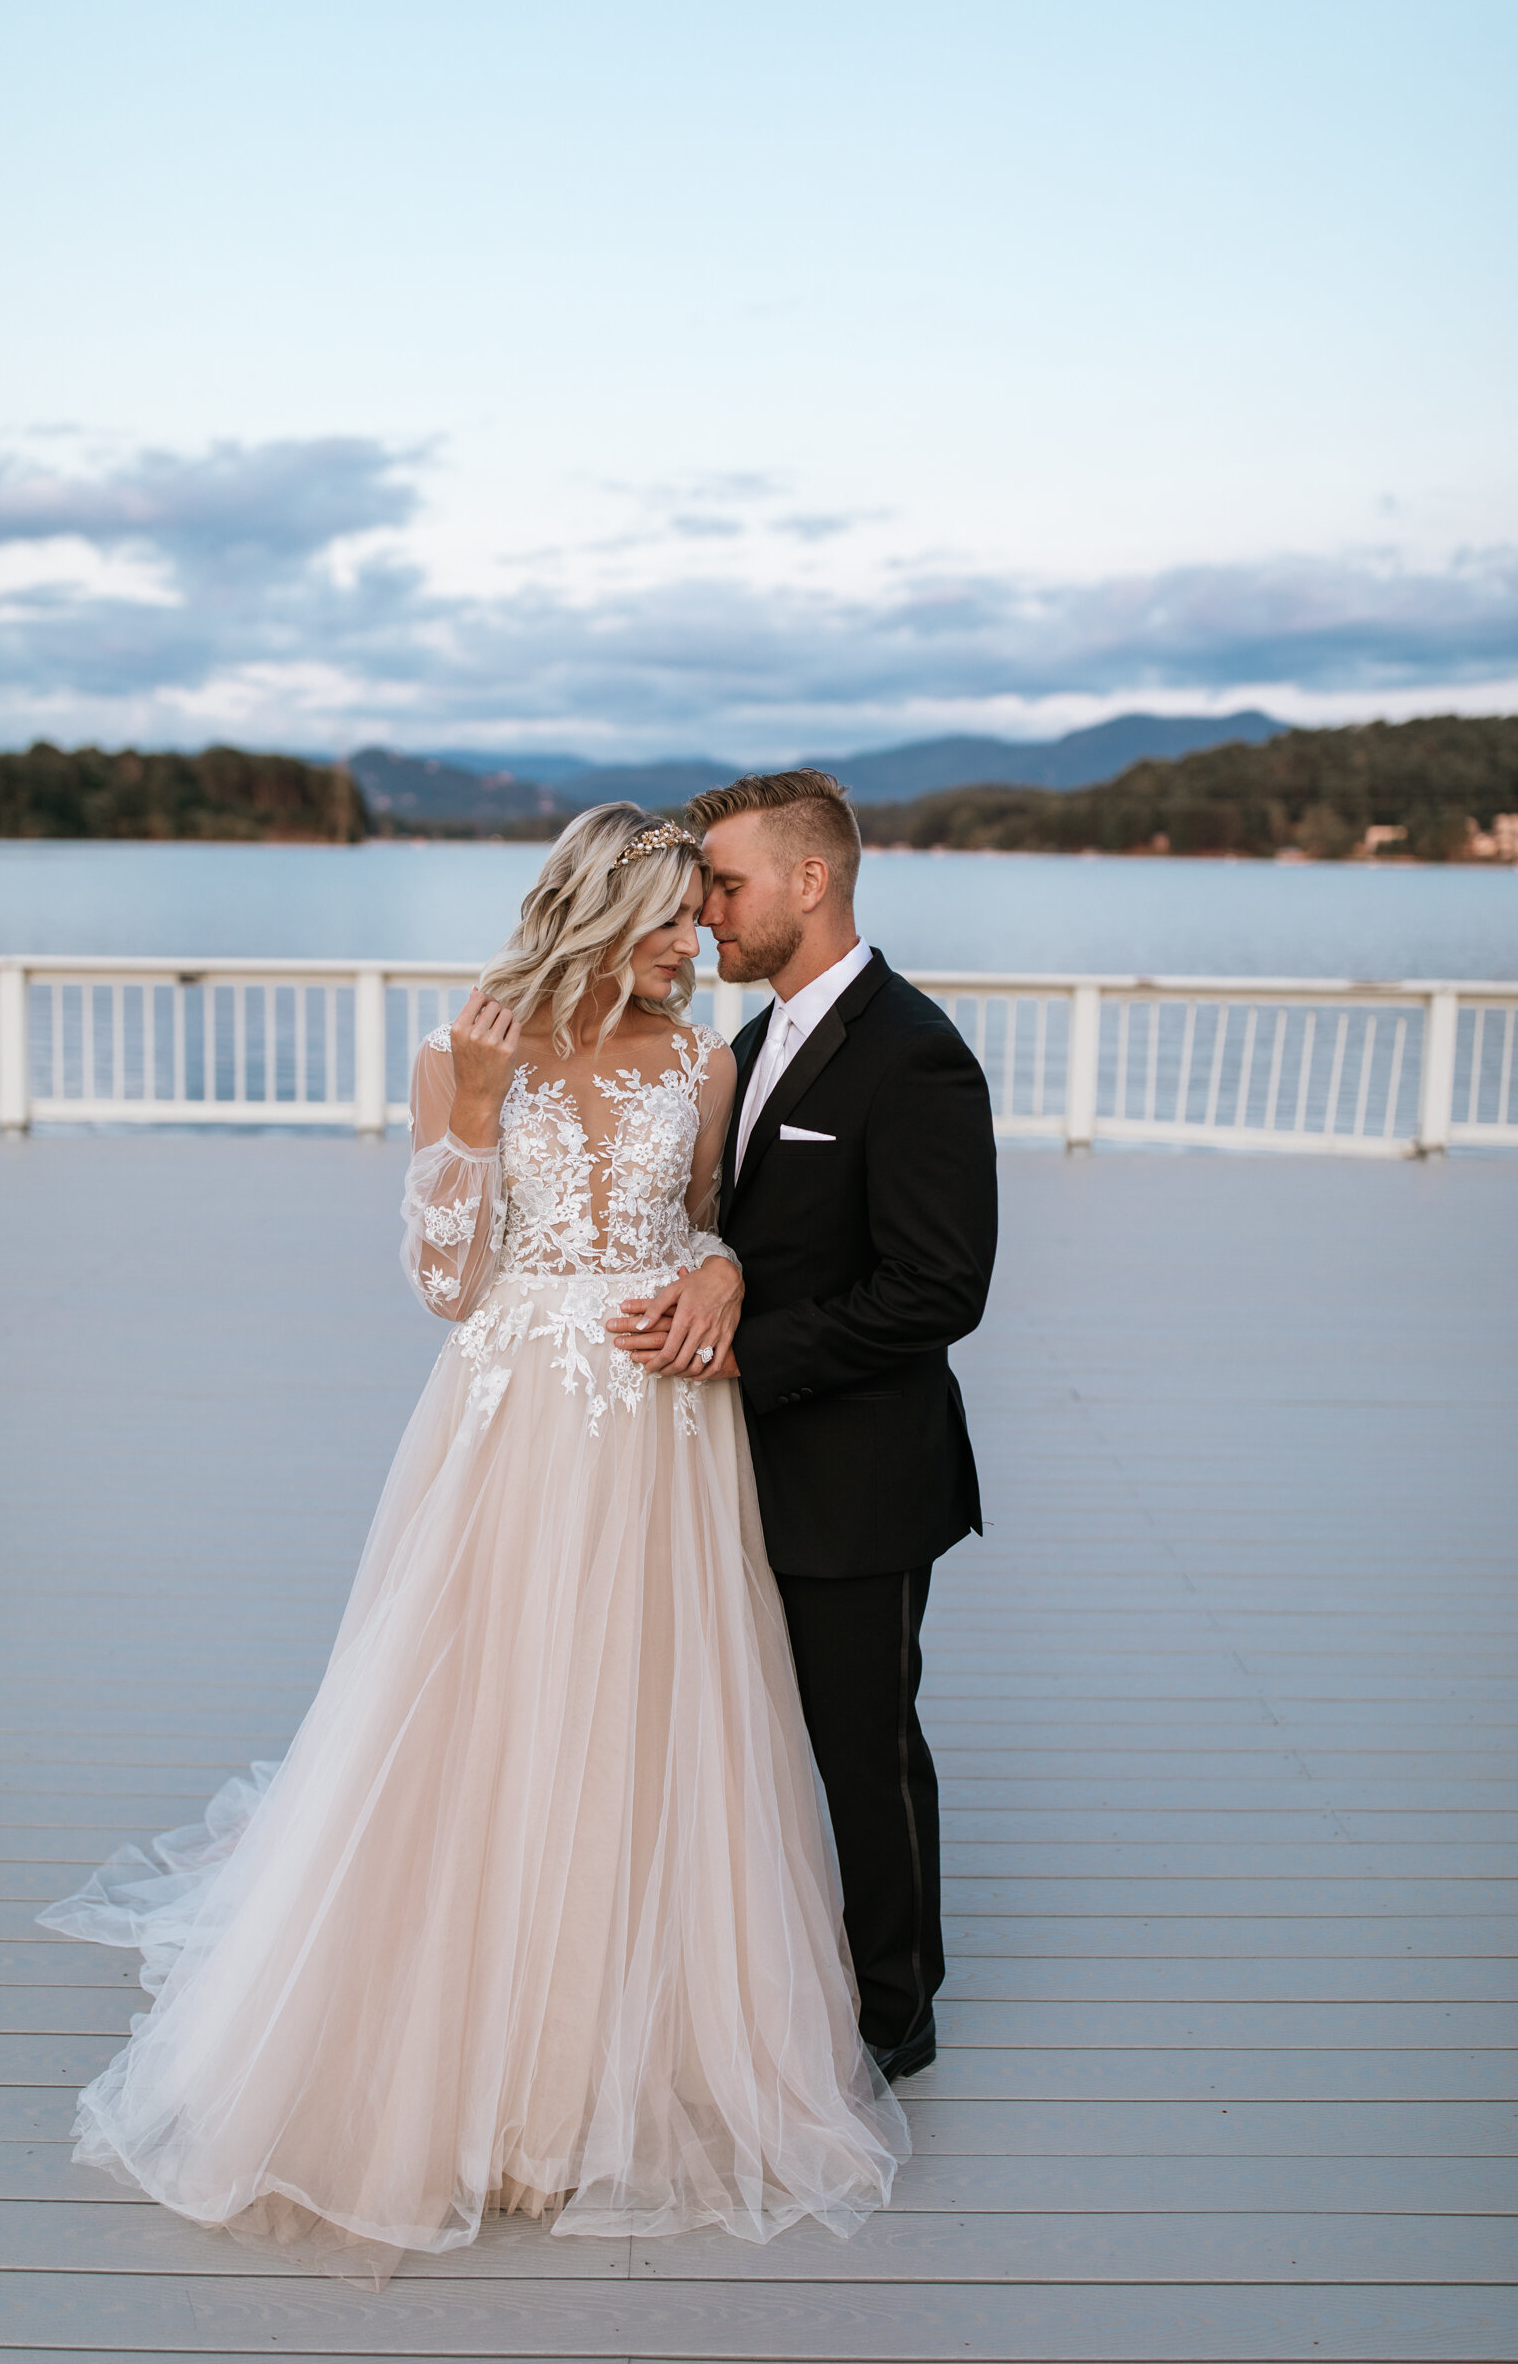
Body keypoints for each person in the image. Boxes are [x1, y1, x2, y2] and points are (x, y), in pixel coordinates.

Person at [37, 803, 908, 2283]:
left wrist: (725, 1278)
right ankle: (468, 2054)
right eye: (664, 919)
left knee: (642, 1710)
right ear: (593, 912)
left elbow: (700, 1224)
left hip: (660, 1427)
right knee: (485, 1698)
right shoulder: (466, 1051)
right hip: (510, 1415)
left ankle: (614, 2052)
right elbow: (445, 1283)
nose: (691, 940)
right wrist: (482, 1113)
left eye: (699, 915)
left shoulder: (704, 1062)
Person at [610, 770, 997, 2081]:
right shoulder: (747, 1042)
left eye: (725, 883)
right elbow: (740, 1223)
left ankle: (896, 2013)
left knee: (862, 1744)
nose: (705, 909)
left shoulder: (915, 1053)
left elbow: (941, 1290)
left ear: (811, 881)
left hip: (856, 1476)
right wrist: (713, 1269)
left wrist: (742, 1349)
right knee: (734, 1731)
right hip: (720, 1468)